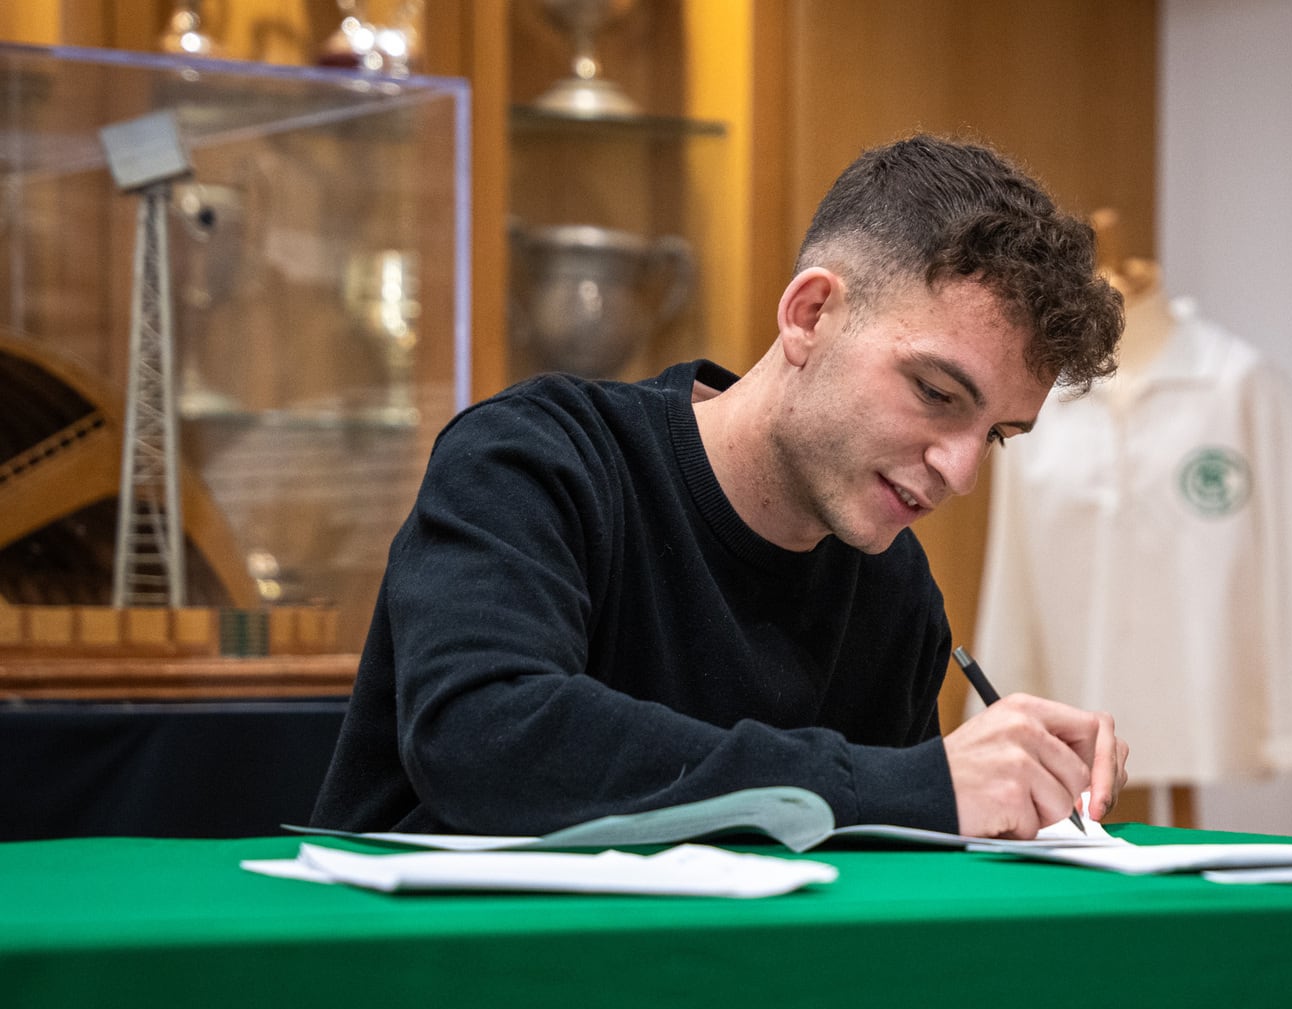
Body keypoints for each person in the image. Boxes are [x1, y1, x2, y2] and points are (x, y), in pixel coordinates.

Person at [312, 134, 1130, 839]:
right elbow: (484, 739)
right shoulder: (535, 457)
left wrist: (999, 802)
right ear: (810, 315)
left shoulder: (893, 587)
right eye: (936, 394)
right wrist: (910, 785)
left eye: (994, 435)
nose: (960, 472)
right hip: (437, 989)